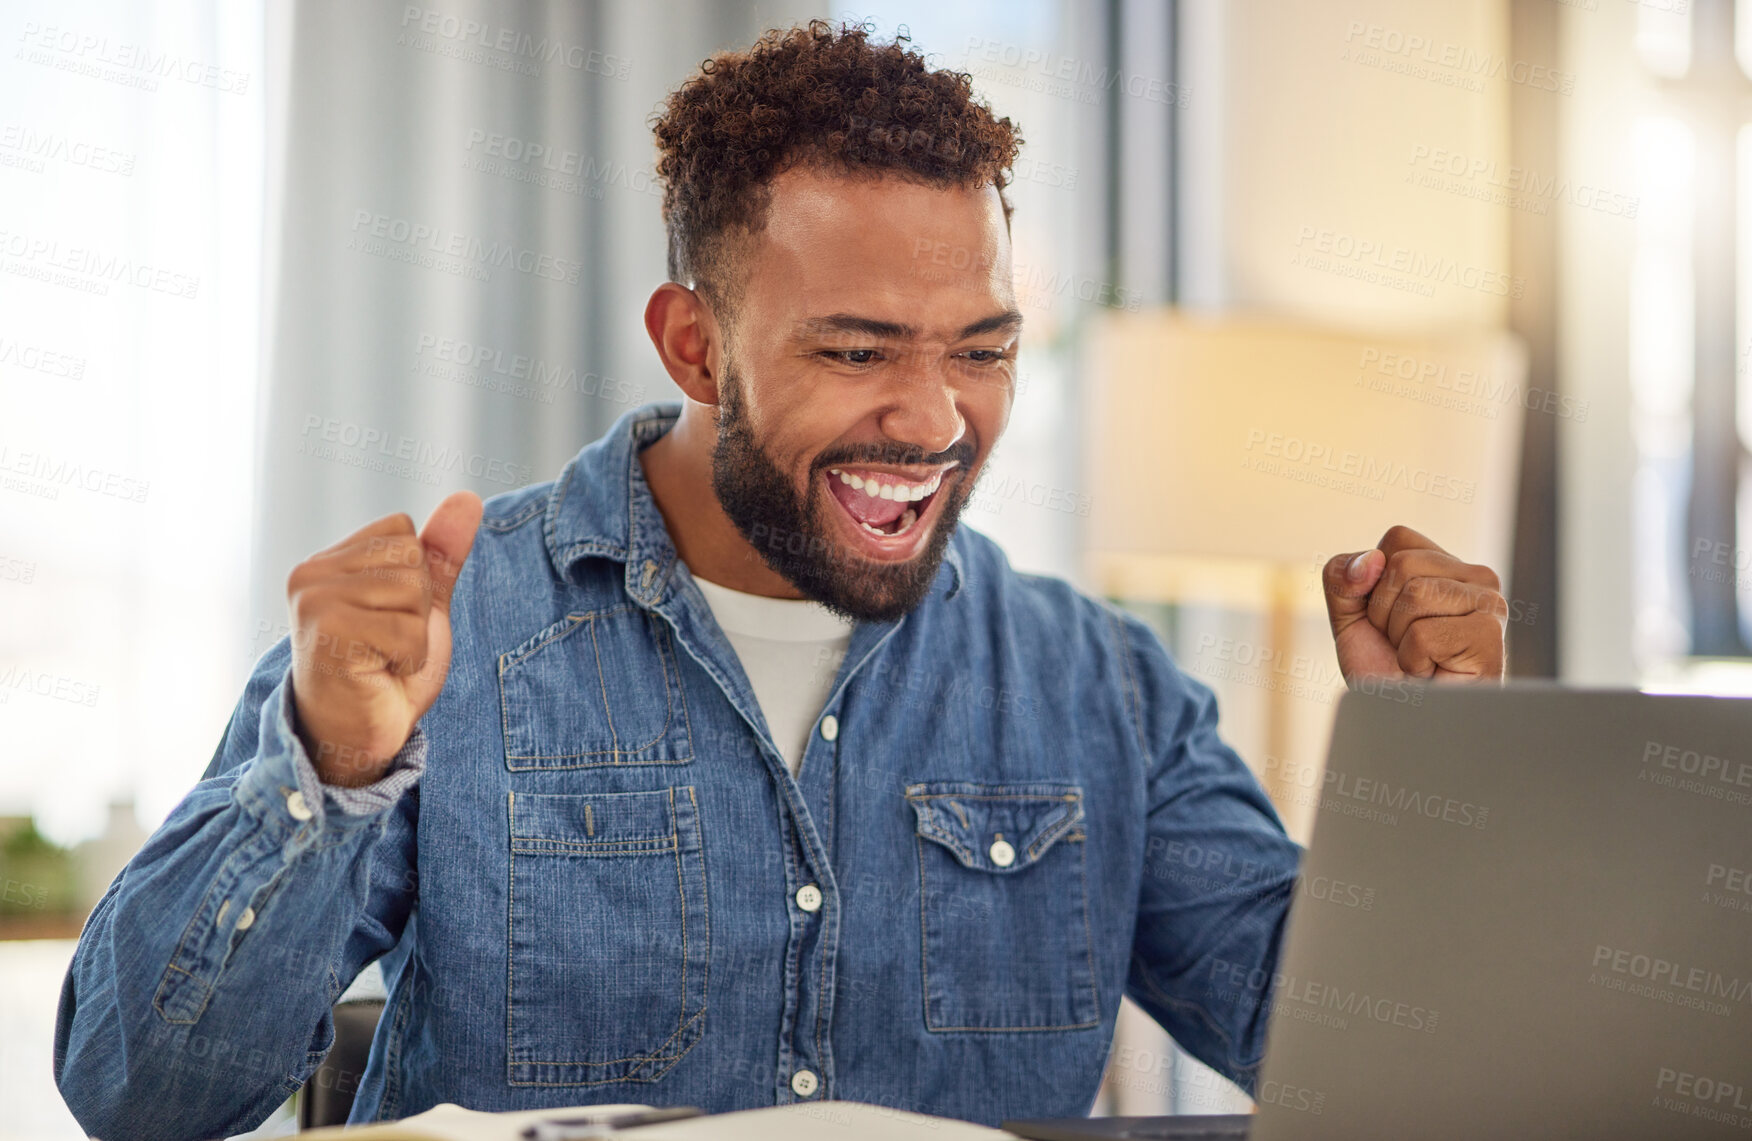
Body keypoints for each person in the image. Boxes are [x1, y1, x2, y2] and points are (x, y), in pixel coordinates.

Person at [53, 21, 1508, 1138]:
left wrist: (1437, 779)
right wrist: (332, 761)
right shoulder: (454, 629)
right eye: (860, 349)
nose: (937, 422)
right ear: (694, 346)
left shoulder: (1100, 685)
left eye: (983, 349)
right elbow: (136, 1087)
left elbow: (1391, 1074)